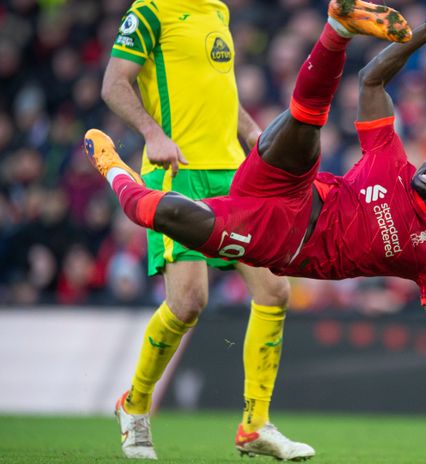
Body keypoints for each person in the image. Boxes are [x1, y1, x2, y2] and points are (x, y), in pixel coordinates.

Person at [85, 1, 426, 462]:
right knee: (305, 131)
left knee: (204, 249)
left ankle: (115, 173)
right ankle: (337, 28)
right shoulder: (390, 158)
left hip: (278, 236)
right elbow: (371, 79)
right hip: (289, 186)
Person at [101, 0, 308, 459]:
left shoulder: (218, 11)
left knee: (274, 290)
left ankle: (255, 425)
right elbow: (114, 84)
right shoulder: (150, 11)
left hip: (234, 175)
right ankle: (134, 406)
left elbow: (220, 93)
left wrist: (254, 134)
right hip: (179, 171)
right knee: (189, 302)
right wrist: (152, 134)